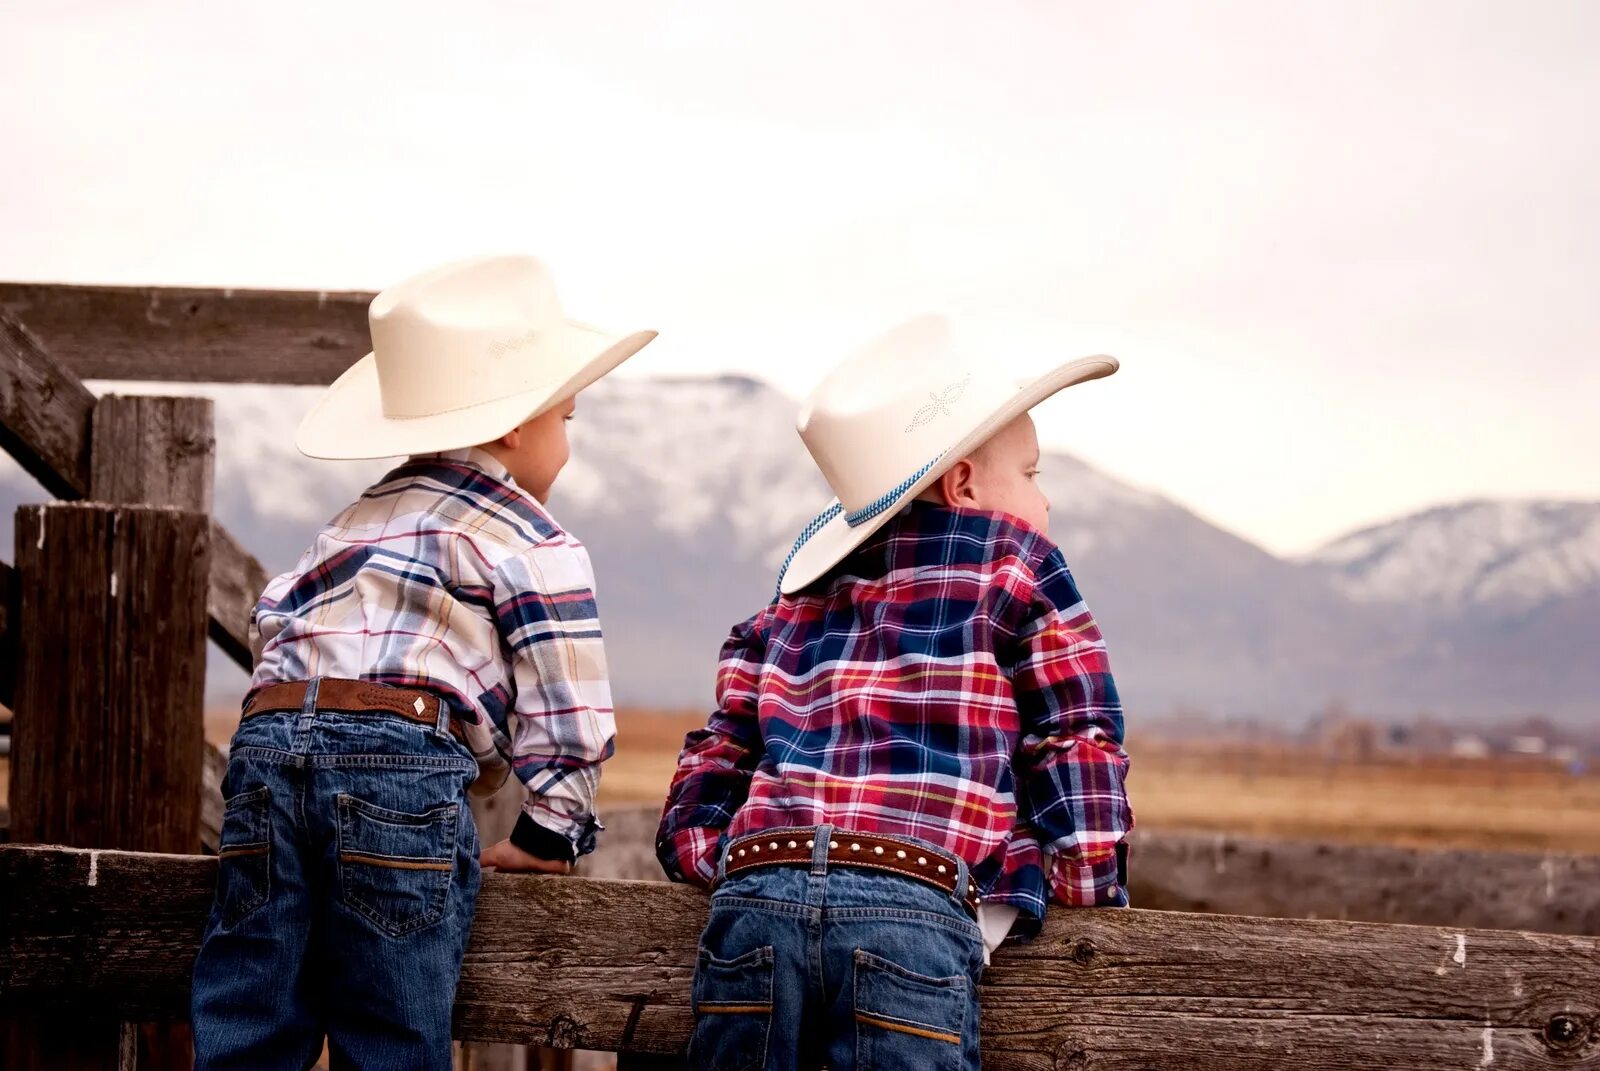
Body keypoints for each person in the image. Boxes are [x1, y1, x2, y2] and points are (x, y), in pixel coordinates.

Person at [191, 254, 654, 1070]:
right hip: (395, 763)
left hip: (265, 747)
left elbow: (275, 620)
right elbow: (572, 719)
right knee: (393, 1028)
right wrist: (550, 832)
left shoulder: (351, 520)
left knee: (250, 1013)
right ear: (516, 424)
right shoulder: (533, 538)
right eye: (568, 421)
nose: (569, 448)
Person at [657, 315, 1132, 1071]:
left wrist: (716, 857)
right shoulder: (1019, 564)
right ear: (965, 484)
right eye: (1034, 474)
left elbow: (718, 751)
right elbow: (1075, 736)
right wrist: (1084, 879)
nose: (1048, 502)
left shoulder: (786, 605)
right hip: (908, 902)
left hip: (757, 896)